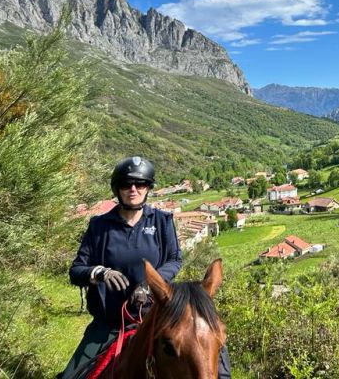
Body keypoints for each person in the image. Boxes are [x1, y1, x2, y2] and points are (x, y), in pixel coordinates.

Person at [60, 156, 231, 379]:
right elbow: (76, 270)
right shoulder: (99, 226)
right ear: (117, 189)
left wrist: (149, 285)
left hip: (156, 316)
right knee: (71, 376)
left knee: (212, 348)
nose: (133, 189)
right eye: (126, 184)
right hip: (110, 323)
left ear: (148, 188)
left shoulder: (162, 221)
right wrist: (100, 273)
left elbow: (174, 259)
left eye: (140, 184)